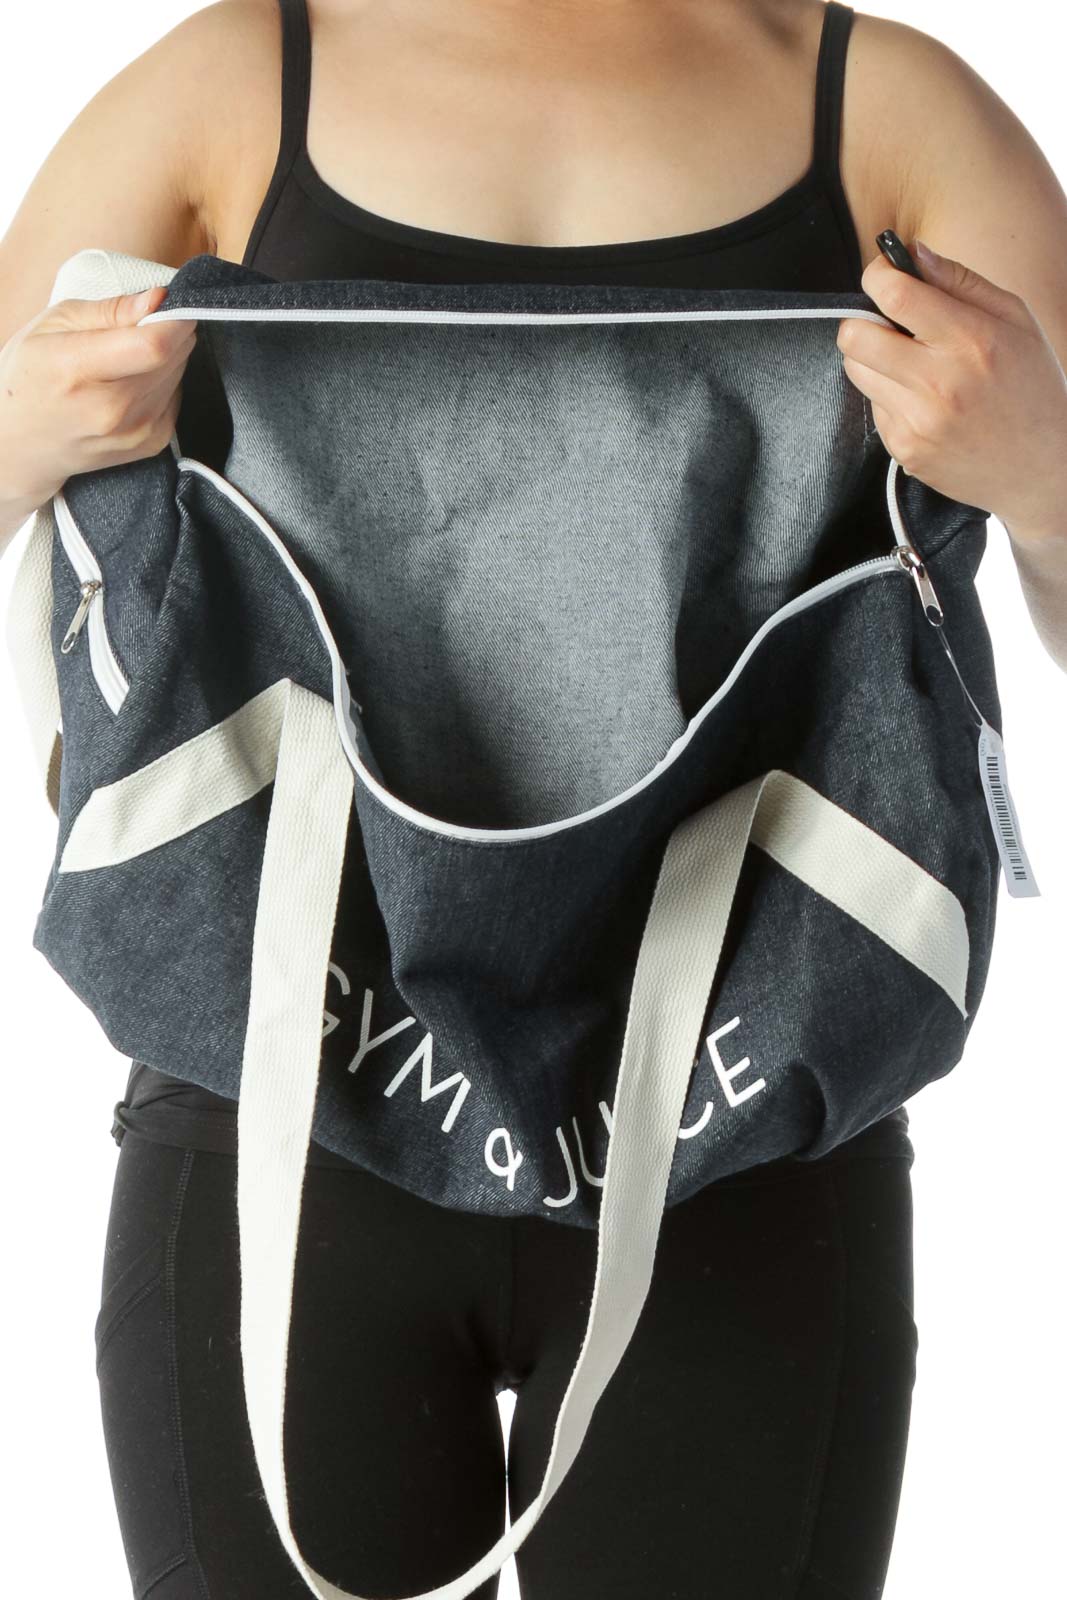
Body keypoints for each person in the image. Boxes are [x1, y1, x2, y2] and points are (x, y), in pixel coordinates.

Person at [1, 4, 1065, 1597]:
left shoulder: (892, 113)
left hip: (751, 1131)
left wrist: (1049, 473)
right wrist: (19, 434)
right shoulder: (230, 84)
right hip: (281, 1106)